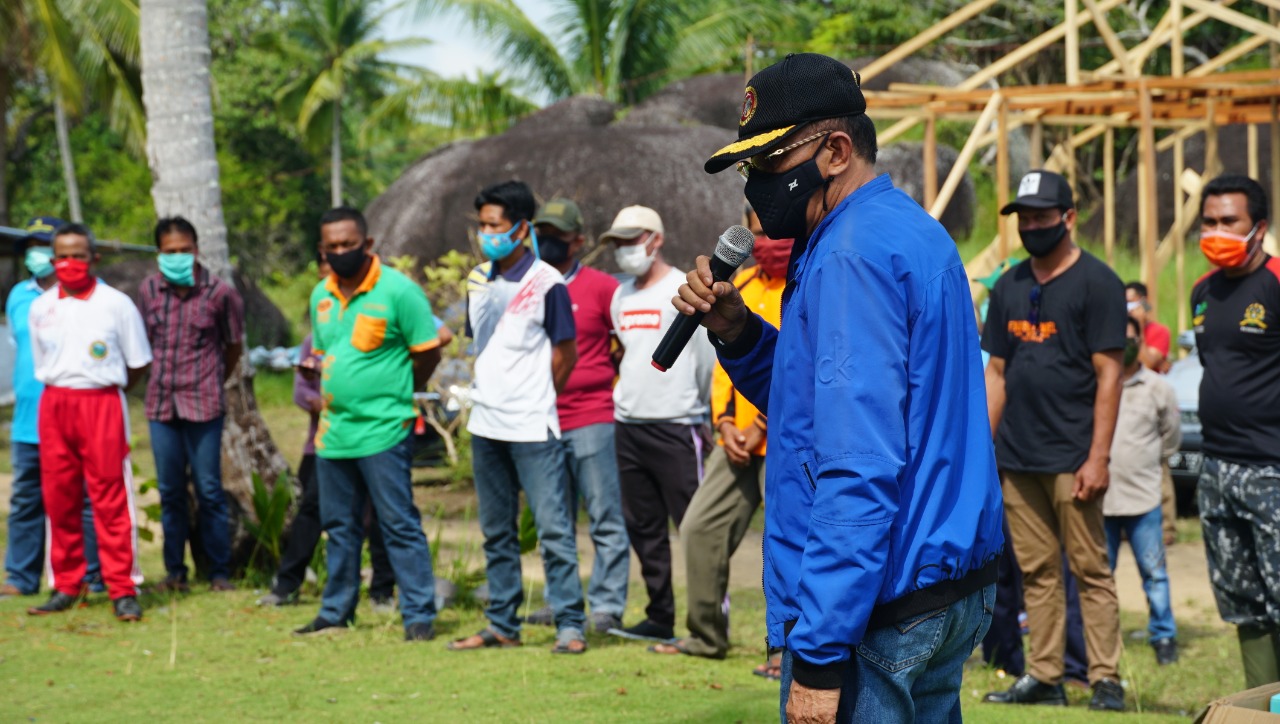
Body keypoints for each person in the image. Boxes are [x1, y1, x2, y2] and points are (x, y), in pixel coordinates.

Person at [678, 53, 1004, 722]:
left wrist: (820, 657)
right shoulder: (907, 232)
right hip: (945, 585)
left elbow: (856, 463)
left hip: (879, 602)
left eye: (769, 162)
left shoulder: (849, 255)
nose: (757, 183)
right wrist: (738, 331)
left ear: (834, 150)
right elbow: (820, 411)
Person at [982, 169, 1127, 711]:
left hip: (1073, 457)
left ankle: (1105, 678)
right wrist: (981, 451)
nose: (1032, 226)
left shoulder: (1099, 283)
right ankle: (1044, 676)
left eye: (1042, 216)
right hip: (1018, 458)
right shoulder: (1010, 285)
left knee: (1089, 569)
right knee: (1036, 570)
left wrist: (1098, 457)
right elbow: (996, 373)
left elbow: (1110, 375)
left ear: (1068, 218)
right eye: (1025, 217)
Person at [259, 258, 456, 608]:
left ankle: (402, 602)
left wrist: (397, 383)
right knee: (330, 519)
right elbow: (305, 385)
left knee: (390, 518)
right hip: (331, 439)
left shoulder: (394, 299)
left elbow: (437, 338)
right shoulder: (321, 316)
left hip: (383, 432)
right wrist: (332, 397)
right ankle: (324, 603)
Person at [449, 181, 587, 655]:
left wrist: (538, 396)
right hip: (484, 426)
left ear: (521, 228)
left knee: (553, 530)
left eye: (495, 225)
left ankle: (570, 625)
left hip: (532, 427)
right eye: (482, 225)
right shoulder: (476, 280)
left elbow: (565, 352)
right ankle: (502, 624)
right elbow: (482, 347)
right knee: (496, 530)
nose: (486, 233)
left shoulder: (547, 282)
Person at [293, 207, 443, 642]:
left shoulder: (400, 292)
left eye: (348, 244)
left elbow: (427, 351)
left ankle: (418, 615)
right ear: (322, 249)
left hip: (385, 429)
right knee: (339, 526)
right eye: (332, 247)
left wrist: (400, 389)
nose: (341, 253)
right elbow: (326, 354)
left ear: (368, 244)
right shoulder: (321, 295)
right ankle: (336, 611)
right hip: (334, 432)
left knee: (397, 523)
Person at [650, 204, 786, 666]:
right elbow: (722, 372)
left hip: (784, 439)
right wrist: (726, 426)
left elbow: (796, 366)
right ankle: (706, 637)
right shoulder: (739, 288)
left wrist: (758, 427)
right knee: (699, 527)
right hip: (736, 442)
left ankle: (784, 651)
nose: (768, 243)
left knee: (787, 545)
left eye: (775, 232)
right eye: (759, 233)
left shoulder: (807, 287)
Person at [26, 223, 151, 622]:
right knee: (59, 497)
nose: (70, 263)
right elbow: (43, 363)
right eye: (62, 255)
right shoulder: (40, 307)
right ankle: (66, 583)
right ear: (52, 259)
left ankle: (122, 587)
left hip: (101, 404)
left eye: (78, 255)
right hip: (56, 404)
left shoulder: (116, 304)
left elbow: (137, 364)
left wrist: (104, 389)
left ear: (93, 259)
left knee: (110, 497)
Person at [603, 204, 715, 645]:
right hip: (629, 424)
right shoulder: (620, 296)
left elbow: (706, 360)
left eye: (632, 241)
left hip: (678, 424)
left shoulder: (681, 289)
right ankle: (659, 616)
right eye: (618, 244)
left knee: (697, 528)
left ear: (656, 239)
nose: (625, 251)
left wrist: (699, 410)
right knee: (644, 527)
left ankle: (709, 624)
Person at [520, 197, 630, 634]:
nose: (547, 241)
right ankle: (558, 600)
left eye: (557, 235)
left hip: (592, 416)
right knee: (553, 519)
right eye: (542, 233)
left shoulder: (603, 288)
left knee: (604, 516)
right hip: (541, 420)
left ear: (578, 240)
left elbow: (628, 349)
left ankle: (606, 606)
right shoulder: (528, 286)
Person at [1191, 174, 1280, 688]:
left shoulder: (1275, 284)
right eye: (1209, 221)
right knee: (1242, 604)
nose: (1216, 230)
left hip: (1272, 470)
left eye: (1230, 221)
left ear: (1259, 228)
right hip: (1217, 470)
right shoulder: (1203, 291)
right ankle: (1260, 709)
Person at [140, 216, 245, 593]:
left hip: (204, 403)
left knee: (209, 489)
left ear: (197, 250)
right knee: (170, 492)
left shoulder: (220, 294)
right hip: (161, 406)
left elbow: (233, 346)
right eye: (171, 252)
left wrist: (213, 379)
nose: (179, 257)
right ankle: (174, 572)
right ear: (159, 254)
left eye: (185, 250)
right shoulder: (149, 291)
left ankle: (219, 572)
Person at [2, 217, 104, 601]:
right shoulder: (19, 297)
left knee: (84, 499)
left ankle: (91, 576)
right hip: (29, 417)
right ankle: (21, 576)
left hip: (78, 416)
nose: (39, 253)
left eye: (45, 244)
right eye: (33, 245)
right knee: (27, 497)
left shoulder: (96, 294)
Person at [1105, 315, 1182, 666]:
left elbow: (1171, 437)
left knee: (1154, 574)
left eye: (1131, 337)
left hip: (1143, 499)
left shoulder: (1157, 388)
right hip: (1101, 500)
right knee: (1100, 579)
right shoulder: (1097, 383)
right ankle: (1103, 643)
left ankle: (1163, 637)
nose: (1126, 343)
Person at [1126, 280, 1179, 545]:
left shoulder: (1159, 331)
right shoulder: (1121, 329)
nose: (1129, 308)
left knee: (1160, 467)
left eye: (1133, 302)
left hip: (1153, 401)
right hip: (1127, 400)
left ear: (1145, 304)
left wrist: (1140, 332)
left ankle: (1167, 526)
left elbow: (1147, 361)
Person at [1125, 282, 1171, 372]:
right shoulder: (1119, 329)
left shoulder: (1160, 331)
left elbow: (1147, 364)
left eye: (1130, 301)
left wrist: (1139, 326)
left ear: (1143, 302)